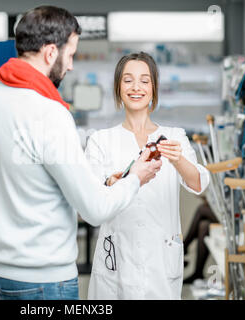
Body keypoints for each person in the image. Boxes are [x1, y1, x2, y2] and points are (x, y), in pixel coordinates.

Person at [0, 7, 162, 300]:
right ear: (50, 52)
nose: (70, 66)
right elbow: (94, 210)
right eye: (70, 55)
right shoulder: (49, 113)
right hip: (42, 282)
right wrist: (136, 179)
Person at [86, 52, 210, 300]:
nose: (136, 87)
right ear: (118, 87)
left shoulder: (174, 136)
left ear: (154, 88)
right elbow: (91, 199)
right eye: (128, 80)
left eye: (144, 80)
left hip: (160, 261)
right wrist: (116, 182)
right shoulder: (101, 140)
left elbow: (198, 183)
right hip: (116, 260)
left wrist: (177, 160)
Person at [182, 201, 218, 284]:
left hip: (235, 217)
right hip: (225, 211)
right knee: (204, 226)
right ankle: (198, 273)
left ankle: (183, 248)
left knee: (202, 209)